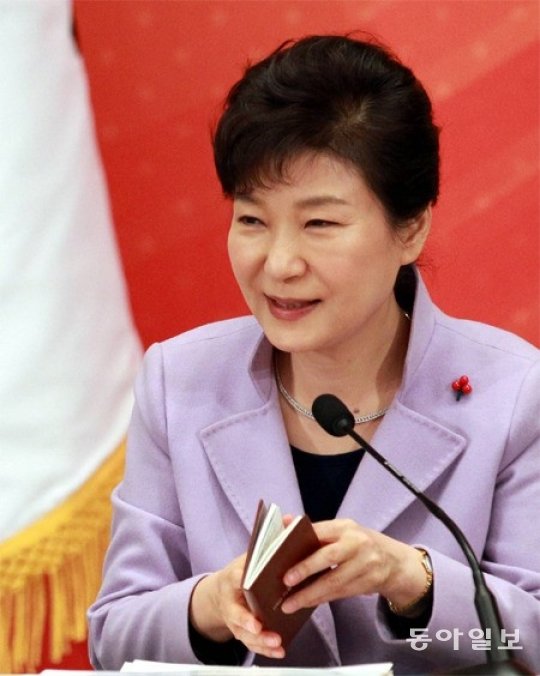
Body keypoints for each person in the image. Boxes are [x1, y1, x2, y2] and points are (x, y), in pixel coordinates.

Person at [88, 35, 540, 673]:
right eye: (252, 220)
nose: (278, 264)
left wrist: (412, 579)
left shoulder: (514, 393)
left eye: (319, 224)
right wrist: (208, 604)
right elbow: (113, 640)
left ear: (411, 228)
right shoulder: (177, 380)